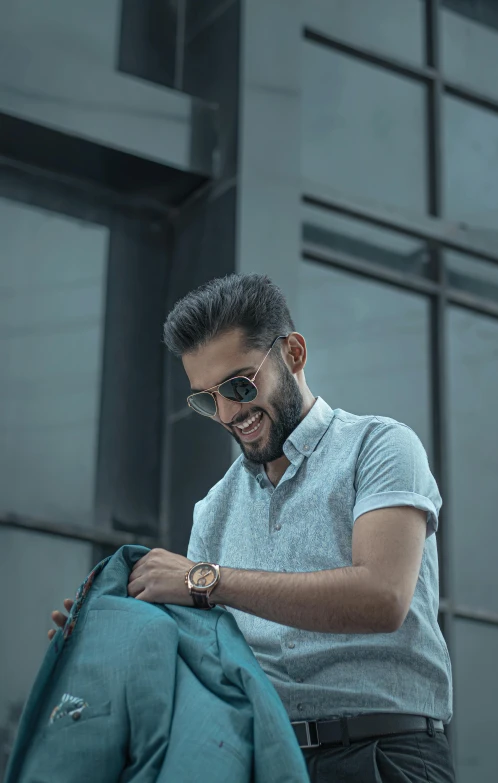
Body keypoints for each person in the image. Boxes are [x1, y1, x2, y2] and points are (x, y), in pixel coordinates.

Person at [50, 273, 455, 782]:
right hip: (263, 759)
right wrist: (107, 631)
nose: (227, 413)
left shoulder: (380, 448)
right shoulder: (213, 509)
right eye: (205, 399)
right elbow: (201, 658)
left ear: (294, 354)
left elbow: (382, 597)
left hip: (384, 754)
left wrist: (206, 580)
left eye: (239, 385)